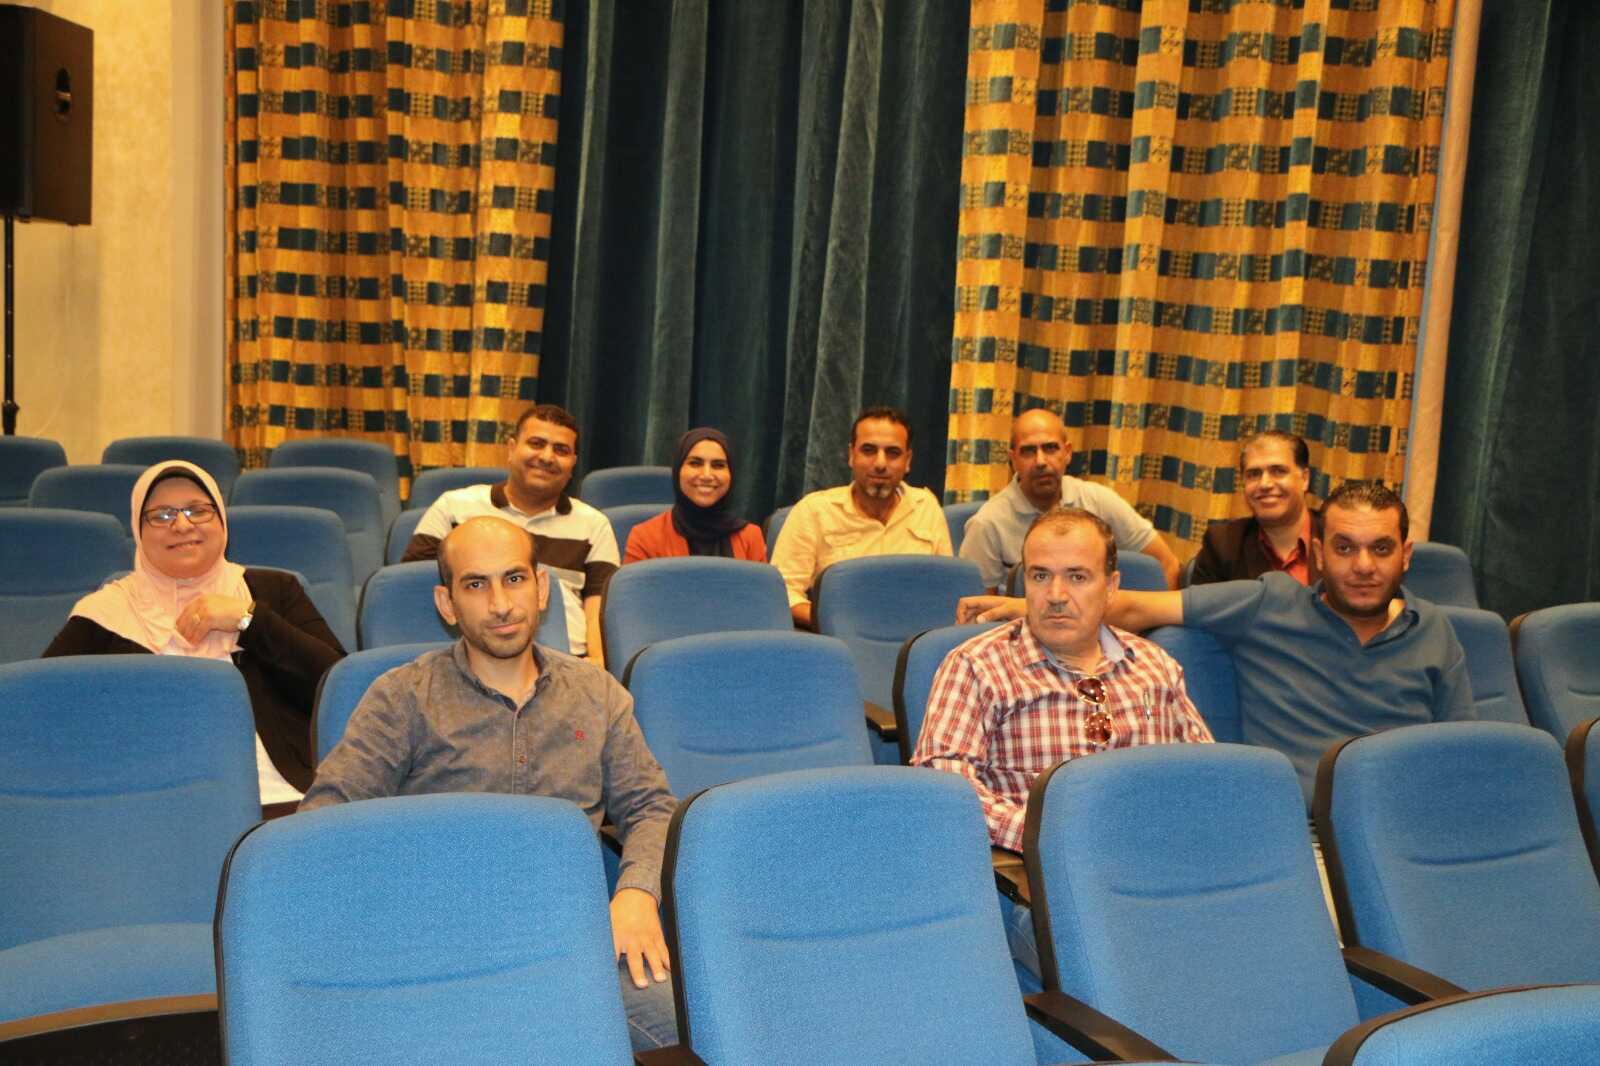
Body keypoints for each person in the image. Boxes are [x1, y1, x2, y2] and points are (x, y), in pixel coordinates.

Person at [303, 516, 678, 1052]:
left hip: (571, 935)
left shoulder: (596, 693)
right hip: (437, 940)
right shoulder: (403, 697)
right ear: (447, 603)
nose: (500, 604)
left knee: (684, 1030)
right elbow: (324, 822)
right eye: (476, 584)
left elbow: (651, 807)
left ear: (542, 587)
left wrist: (636, 893)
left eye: (514, 579)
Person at [958, 481, 1474, 806]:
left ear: (1406, 555)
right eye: (1344, 548)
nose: (1363, 566)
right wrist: (1040, 607)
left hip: (1410, 827)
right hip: (1305, 833)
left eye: (1380, 549)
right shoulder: (1267, 603)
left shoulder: (1435, 631)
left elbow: (1459, 757)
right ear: (1318, 553)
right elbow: (1137, 606)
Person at [43, 460, 345, 803]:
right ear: (138, 530)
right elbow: (41, 710)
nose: (183, 525)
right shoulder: (103, 615)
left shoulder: (275, 591)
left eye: (198, 511)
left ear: (221, 520)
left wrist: (249, 620)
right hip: (153, 806)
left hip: (282, 798)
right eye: (162, 515)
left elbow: (338, 686)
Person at [402, 404, 618, 666]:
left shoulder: (594, 525)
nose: (547, 457)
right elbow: (413, 590)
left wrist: (597, 663)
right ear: (512, 448)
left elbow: (599, 609)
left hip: (568, 661)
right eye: (536, 443)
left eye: (561, 450)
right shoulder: (453, 508)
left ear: (573, 462)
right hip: (472, 657)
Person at [959, 408, 1181, 592]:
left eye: (1050, 448)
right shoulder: (987, 524)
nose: (1040, 461)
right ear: (1013, 459)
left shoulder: (1099, 502)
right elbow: (977, 610)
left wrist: (1154, 625)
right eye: (1028, 451)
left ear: (1067, 453)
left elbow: (1168, 565)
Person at [770, 405, 951, 629]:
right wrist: (831, 623)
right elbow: (781, 591)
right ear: (851, 455)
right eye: (868, 450)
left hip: (914, 636)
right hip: (842, 637)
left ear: (908, 461)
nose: (880, 464)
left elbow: (947, 586)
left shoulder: (927, 507)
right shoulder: (814, 511)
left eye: (893, 453)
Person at [1191, 430, 1321, 585]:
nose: (1265, 484)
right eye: (1254, 474)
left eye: (1278, 471)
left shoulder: (1333, 537)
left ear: (1304, 479)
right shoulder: (1223, 545)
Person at [623, 427, 765, 562]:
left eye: (718, 465)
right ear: (678, 471)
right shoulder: (644, 538)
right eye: (695, 463)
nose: (707, 475)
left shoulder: (751, 537)